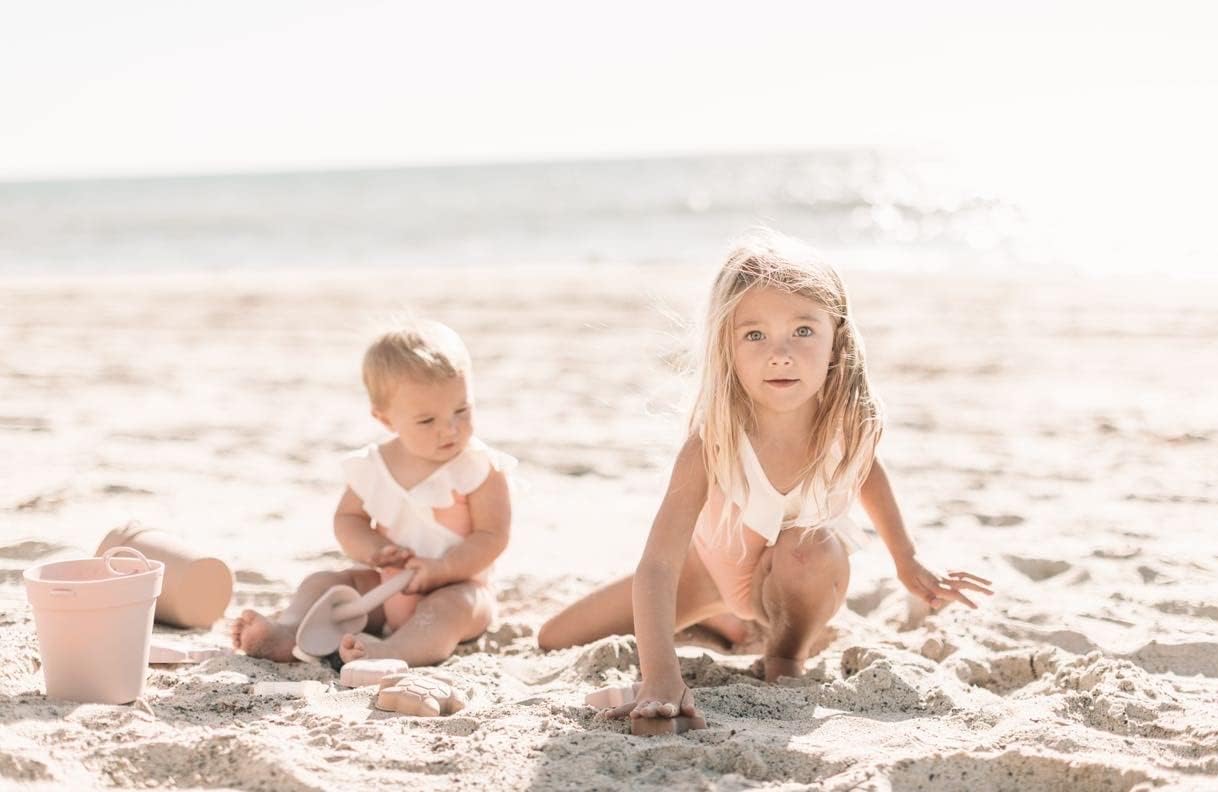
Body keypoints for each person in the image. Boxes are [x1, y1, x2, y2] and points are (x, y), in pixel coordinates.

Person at [538, 230, 991, 731]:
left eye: (802, 330)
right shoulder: (712, 442)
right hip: (711, 571)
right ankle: (724, 618)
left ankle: (784, 655)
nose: (781, 353)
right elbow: (659, 566)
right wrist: (660, 674)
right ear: (726, 347)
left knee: (807, 547)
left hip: (804, 577)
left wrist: (906, 559)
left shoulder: (844, 420)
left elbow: (867, 470)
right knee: (554, 637)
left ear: (837, 337)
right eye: (755, 335)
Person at [233, 320, 514, 667]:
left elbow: (493, 535)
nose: (450, 429)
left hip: (458, 585)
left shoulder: (480, 467)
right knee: (323, 581)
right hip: (387, 585)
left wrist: (443, 569)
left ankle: (394, 651)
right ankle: (289, 632)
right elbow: (348, 519)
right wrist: (376, 551)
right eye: (427, 421)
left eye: (462, 410)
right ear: (385, 420)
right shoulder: (374, 465)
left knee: (447, 610)